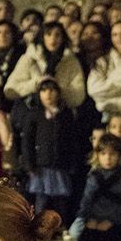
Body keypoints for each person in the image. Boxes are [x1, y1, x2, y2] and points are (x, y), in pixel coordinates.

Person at [20, 78, 79, 225]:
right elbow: (27, 142)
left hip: (60, 165)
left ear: (58, 93)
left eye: (52, 90)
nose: (48, 94)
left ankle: (61, 226)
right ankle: (39, 227)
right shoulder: (34, 115)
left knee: (61, 199)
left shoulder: (66, 115)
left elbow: (72, 140)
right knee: (41, 199)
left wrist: (72, 162)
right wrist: (29, 165)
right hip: (41, 166)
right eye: (44, 90)